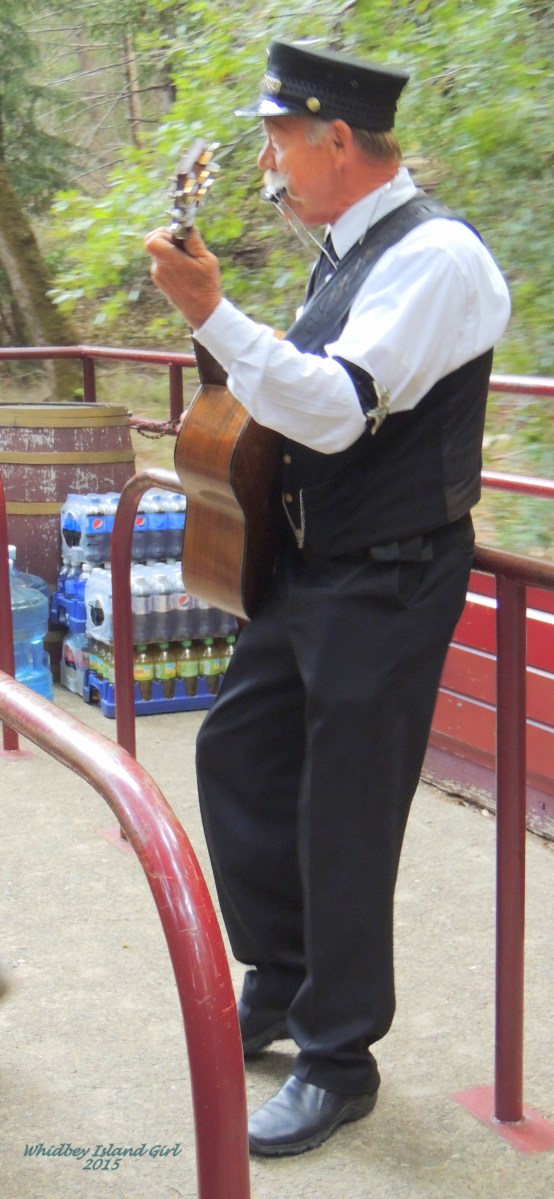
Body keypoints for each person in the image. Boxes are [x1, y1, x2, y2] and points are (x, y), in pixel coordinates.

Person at [146, 40, 510, 1158]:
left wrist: (215, 314)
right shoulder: (352, 250)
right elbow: (291, 399)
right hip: (313, 564)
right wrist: (220, 326)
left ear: (336, 139)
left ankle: (339, 1057)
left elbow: (339, 409)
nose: (267, 165)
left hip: (390, 574)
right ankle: (283, 973)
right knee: (238, 754)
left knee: (343, 814)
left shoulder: (437, 258)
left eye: (277, 143)